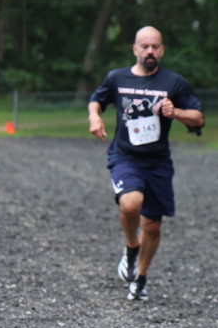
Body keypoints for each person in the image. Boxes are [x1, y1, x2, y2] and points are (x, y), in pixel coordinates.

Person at [88, 26, 205, 301]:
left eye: (155, 47)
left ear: (162, 50)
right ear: (135, 49)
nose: (150, 51)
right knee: (130, 203)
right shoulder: (117, 78)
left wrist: (176, 112)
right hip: (125, 156)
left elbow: (198, 118)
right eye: (145, 46)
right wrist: (95, 116)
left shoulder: (174, 82)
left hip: (158, 162)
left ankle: (140, 278)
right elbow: (96, 100)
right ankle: (131, 246)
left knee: (152, 226)